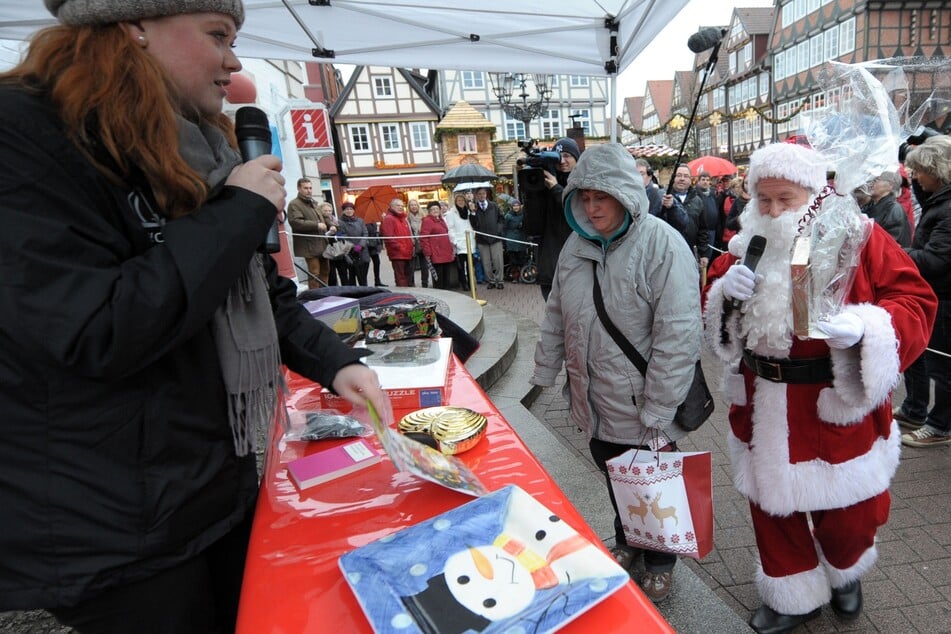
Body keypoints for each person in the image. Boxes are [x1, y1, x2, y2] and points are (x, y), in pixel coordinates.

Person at [0, 2, 391, 632]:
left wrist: (337, 361)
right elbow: (97, 328)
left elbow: (254, 290)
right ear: (134, 26)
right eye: (218, 36)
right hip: (114, 521)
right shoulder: (26, 135)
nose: (234, 62)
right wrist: (236, 213)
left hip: (206, 483)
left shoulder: (188, 142)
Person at [703, 142, 936, 633]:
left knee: (850, 512)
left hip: (831, 398)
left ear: (812, 192)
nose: (770, 210)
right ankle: (793, 592)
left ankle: (845, 571)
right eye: (762, 200)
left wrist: (868, 327)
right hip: (764, 399)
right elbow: (717, 300)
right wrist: (725, 294)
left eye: (783, 199)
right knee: (772, 509)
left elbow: (914, 299)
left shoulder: (861, 237)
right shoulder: (748, 242)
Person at [531, 143, 702, 604]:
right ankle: (628, 540)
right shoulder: (574, 245)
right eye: (583, 198)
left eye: (600, 198)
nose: (591, 207)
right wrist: (545, 369)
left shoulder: (662, 244)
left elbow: (679, 333)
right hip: (594, 393)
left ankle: (662, 561)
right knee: (612, 472)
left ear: (624, 194)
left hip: (644, 398)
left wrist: (662, 405)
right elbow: (556, 313)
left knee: (652, 483)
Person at [894, 134, 951, 447]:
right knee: (922, 355)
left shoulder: (947, 208)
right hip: (935, 294)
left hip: (945, 297)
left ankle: (940, 425)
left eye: (920, 170)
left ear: (937, 171)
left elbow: (937, 259)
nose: (915, 177)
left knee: (942, 367)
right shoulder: (939, 200)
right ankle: (916, 409)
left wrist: (898, 252)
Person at [523, 137, 581, 301]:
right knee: (554, 323)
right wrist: (533, 194)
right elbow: (531, 228)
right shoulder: (544, 185)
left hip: (577, 268)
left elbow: (578, 215)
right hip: (551, 268)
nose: (562, 160)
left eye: (567, 155)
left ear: (577, 158)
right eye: (558, 155)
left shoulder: (582, 184)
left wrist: (556, 189)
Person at [288, 178, 337, 288]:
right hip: (308, 245)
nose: (309, 190)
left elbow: (324, 216)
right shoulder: (294, 204)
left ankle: (325, 294)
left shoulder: (313, 203)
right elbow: (295, 222)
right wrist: (316, 225)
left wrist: (332, 225)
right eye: (305, 188)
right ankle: (315, 297)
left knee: (326, 270)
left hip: (322, 243)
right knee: (314, 272)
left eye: (310, 188)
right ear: (299, 188)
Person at [662, 163, 710, 272]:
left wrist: (703, 254)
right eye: (679, 175)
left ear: (690, 180)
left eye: (685, 176)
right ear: (673, 178)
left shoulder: (698, 201)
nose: (682, 179)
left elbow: (703, 229)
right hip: (667, 253)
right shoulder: (663, 198)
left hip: (689, 252)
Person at [864, 170, 912, 247]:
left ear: (890, 185)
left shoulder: (894, 210)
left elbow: (890, 245)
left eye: (876, 180)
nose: (871, 183)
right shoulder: (869, 205)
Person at [469, 187, 505, 289]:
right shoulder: (474, 207)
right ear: (476, 195)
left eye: (483, 193)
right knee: (486, 262)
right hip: (482, 240)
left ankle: (500, 280)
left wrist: (498, 231)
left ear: (486, 194)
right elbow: (473, 224)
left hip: (495, 238)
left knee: (498, 261)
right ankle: (491, 281)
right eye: (479, 194)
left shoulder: (493, 205)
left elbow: (501, 219)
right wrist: (472, 213)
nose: (481, 195)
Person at [419, 201, 455, 290]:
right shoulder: (427, 221)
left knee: (446, 277)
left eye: (437, 209)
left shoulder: (441, 220)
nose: (435, 211)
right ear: (429, 211)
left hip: (445, 252)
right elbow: (424, 238)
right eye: (432, 209)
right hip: (436, 254)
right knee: (438, 279)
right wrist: (428, 253)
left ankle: (447, 295)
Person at [380, 198, 415, 287]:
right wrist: (400, 247)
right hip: (398, 253)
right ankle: (403, 296)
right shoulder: (388, 219)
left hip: (407, 252)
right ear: (392, 206)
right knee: (401, 277)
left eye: (402, 206)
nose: (400, 207)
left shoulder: (403, 218)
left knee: (409, 277)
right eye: (398, 205)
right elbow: (389, 237)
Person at [336, 201, 370, 286]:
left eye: (351, 209)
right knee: (352, 276)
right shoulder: (339, 222)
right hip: (349, 252)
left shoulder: (360, 221)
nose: (349, 211)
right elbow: (341, 236)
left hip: (362, 251)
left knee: (363, 276)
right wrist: (353, 247)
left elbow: (365, 233)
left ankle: (365, 292)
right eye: (346, 209)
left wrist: (360, 245)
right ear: (343, 211)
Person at [446, 192, 474, 290]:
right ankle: (464, 283)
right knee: (461, 266)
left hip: (469, 241)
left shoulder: (468, 211)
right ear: (455, 202)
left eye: (462, 200)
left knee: (470, 264)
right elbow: (450, 228)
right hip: (459, 242)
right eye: (459, 200)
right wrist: (455, 241)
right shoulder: (451, 214)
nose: (461, 202)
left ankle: (471, 283)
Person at [406, 198, 429, 288]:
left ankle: (425, 284)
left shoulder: (424, 217)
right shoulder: (406, 218)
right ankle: (412, 284)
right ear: (409, 207)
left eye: (415, 205)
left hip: (422, 243)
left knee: (425, 266)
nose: (414, 207)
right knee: (411, 267)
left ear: (418, 206)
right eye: (411, 205)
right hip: (412, 244)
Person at [502, 199, 528, 277]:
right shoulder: (508, 216)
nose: (516, 207)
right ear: (512, 207)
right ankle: (515, 276)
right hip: (511, 240)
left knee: (522, 258)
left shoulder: (524, 215)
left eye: (517, 205)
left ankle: (523, 275)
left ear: (520, 206)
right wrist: (505, 239)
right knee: (513, 261)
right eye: (514, 206)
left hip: (521, 239)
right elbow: (504, 227)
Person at [366, 220, 386, 286]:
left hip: (373, 245)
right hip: (366, 246)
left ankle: (377, 280)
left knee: (377, 263)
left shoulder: (373, 222)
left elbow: (376, 233)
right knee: (366, 264)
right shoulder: (364, 222)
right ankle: (364, 282)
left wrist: (377, 230)